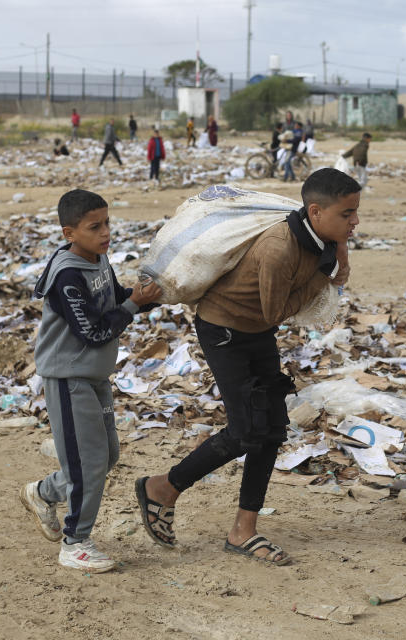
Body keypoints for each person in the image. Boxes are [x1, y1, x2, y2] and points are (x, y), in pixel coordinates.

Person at [134, 167, 359, 565]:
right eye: (347, 214)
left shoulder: (319, 240)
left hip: (254, 333)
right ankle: (162, 487)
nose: (355, 222)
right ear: (316, 212)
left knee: (271, 432)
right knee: (244, 431)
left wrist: (331, 264)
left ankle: (243, 531)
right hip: (226, 332)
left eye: (356, 212)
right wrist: (327, 275)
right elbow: (276, 312)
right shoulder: (280, 249)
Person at [21, 188, 162, 573]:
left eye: (107, 223)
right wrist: (134, 304)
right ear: (69, 233)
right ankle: (75, 542)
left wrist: (145, 296)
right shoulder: (67, 276)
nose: (105, 233)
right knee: (91, 462)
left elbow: (116, 298)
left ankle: (43, 492)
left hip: (95, 374)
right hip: (69, 378)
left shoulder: (99, 259)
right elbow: (96, 333)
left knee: (106, 456)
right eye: (94, 227)